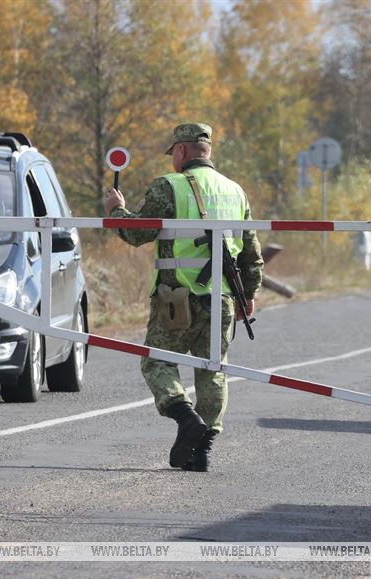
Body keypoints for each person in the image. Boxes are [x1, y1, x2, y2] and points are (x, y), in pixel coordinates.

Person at [103, 123, 263, 472]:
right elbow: (251, 249)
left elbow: (135, 232)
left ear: (180, 151)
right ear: (207, 151)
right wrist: (248, 294)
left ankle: (185, 416)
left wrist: (116, 210)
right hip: (220, 297)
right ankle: (201, 449)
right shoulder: (235, 191)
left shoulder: (169, 185)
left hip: (176, 297)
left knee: (156, 362)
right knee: (213, 372)